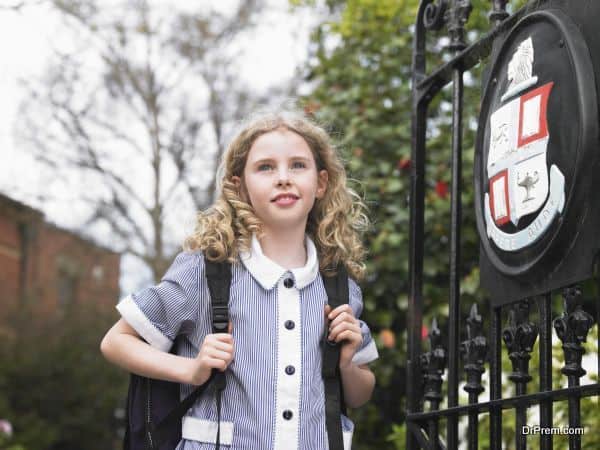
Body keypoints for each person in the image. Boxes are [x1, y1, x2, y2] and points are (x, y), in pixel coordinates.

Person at [100, 110, 379, 449]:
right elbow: (116, 342)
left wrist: (348, 362)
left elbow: (360, 393)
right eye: (265, 167)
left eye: (297, 165)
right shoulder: (205, 272)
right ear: (239, 186)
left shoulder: (339, 287)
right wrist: (192, 369)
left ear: (320, 183)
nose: (283, 178)